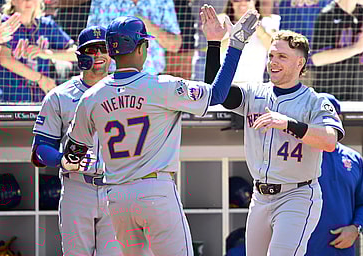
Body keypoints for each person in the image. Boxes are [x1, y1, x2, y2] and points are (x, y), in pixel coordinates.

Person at [62, 10, 259, 255]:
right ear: (141, 48)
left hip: (115, 197)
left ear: (111, 52)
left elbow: (73, 153)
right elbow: (217, 94)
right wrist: (234, 44)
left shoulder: (91, 96)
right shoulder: (161, 86)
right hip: (154, 190)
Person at [202, 7, 345, 254]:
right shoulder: (255, 92)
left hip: (297, 195)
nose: (273, 62)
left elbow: (329, 141)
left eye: (282, 57)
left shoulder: (314, 101)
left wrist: (288, 123)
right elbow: (217, 94)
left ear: (300, 63)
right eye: (271, 56)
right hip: (259, 197)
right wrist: (215, 43)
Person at [31, 26, 122, 256]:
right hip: (78, 187)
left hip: (116, 187)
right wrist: (62, 160)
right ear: (80, 56)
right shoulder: (60, 95)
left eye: (103, 49)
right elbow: (41, 148)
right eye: (92, 50)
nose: (99, 55)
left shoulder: (126, 92)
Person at [305, 93, 363, 256]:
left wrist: (356, 228)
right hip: (301, 250)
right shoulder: (297, 154)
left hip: (341, 252)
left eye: (328, 115)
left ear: (339, 118)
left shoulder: (354, 158)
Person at [0, 0, 77, 103]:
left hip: (41, 99)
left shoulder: (47, 25)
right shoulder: (5, 24)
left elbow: (76, 54)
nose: (28, 1)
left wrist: (46, 53)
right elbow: (5, 59)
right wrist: (40, 79)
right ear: (12, 1)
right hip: (10, 99)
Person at [311, 0, 363, 101]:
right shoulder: (327, 14)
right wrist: (357, 47)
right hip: (329, 92)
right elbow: (316, 59)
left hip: (359, 93)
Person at [86, 0, 182, 75]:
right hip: (113, 79)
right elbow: (91, 43)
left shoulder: (163, 2)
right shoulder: (101, 2)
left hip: (151, 80)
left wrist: (149, 27)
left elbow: (175, 46)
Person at [218, 0, 279, 83]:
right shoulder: (223, 21)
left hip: (254, 86)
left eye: (247, 0)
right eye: (237, 0)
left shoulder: (267, 21)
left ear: (254, 2)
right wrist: (238, 32)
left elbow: (273, 48)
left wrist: (254, 21)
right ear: (231, 2)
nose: (242, 3)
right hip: (226, 84)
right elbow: (217, 48)